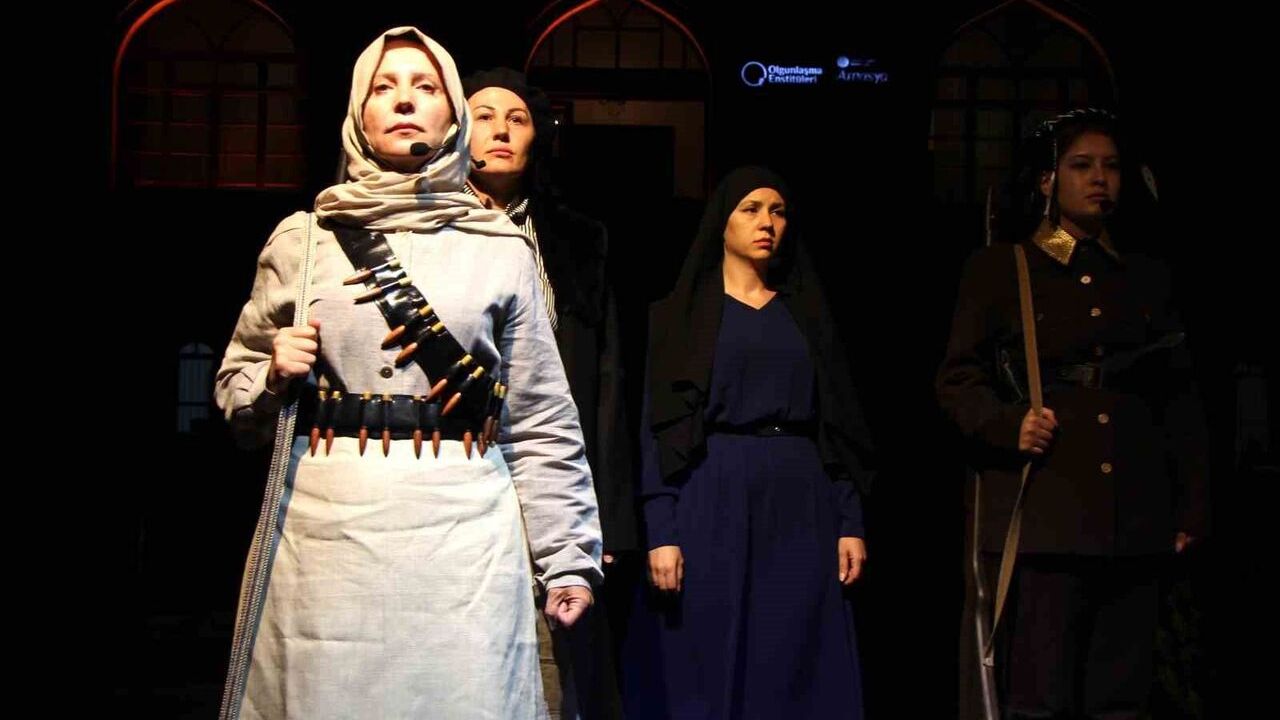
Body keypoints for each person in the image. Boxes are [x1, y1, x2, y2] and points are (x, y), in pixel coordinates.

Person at [214, 27, 602, 719]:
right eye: (383, 87)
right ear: (358, 113)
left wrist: (567, 556)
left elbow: (541, 419)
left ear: (451, 115)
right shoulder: (304, 241)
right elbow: (234, 391)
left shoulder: (500, 247)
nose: (403, 100)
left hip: (464, 535)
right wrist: (271, 376)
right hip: (326, 534)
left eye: (425, 87)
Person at [937, 108, 1209, 720]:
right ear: (1047, 180)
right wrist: (1008, 424)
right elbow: (957, 380)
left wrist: (1190, 503)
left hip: (1134, 517)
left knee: (1121, 698)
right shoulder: (1004, 268)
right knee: (1041, 697)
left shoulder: (1144, 275)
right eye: (1082, 166)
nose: (1099, 179)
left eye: (1110, 167)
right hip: (1048, 514)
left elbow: (1179, 398)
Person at [633, 165, 873, 719]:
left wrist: (849, 520)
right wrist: (661, 530)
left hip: (799, 502)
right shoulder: (680, 317)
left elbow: (836, 424)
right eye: (752, 209)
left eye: (778, 211)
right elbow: (656, 428)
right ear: (722, 222)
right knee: (707, 655)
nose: (767, 222)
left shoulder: (805, 314)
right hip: (710, 495)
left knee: (793, 658)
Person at [462, 66, 635, 720]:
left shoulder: (578, 240)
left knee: (556, 659)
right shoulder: (426, 229)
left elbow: (606, 380)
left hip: (551, 462)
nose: (502, 131)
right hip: (459, 464)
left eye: (518, 118)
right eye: (484, 115)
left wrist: (603, 511)